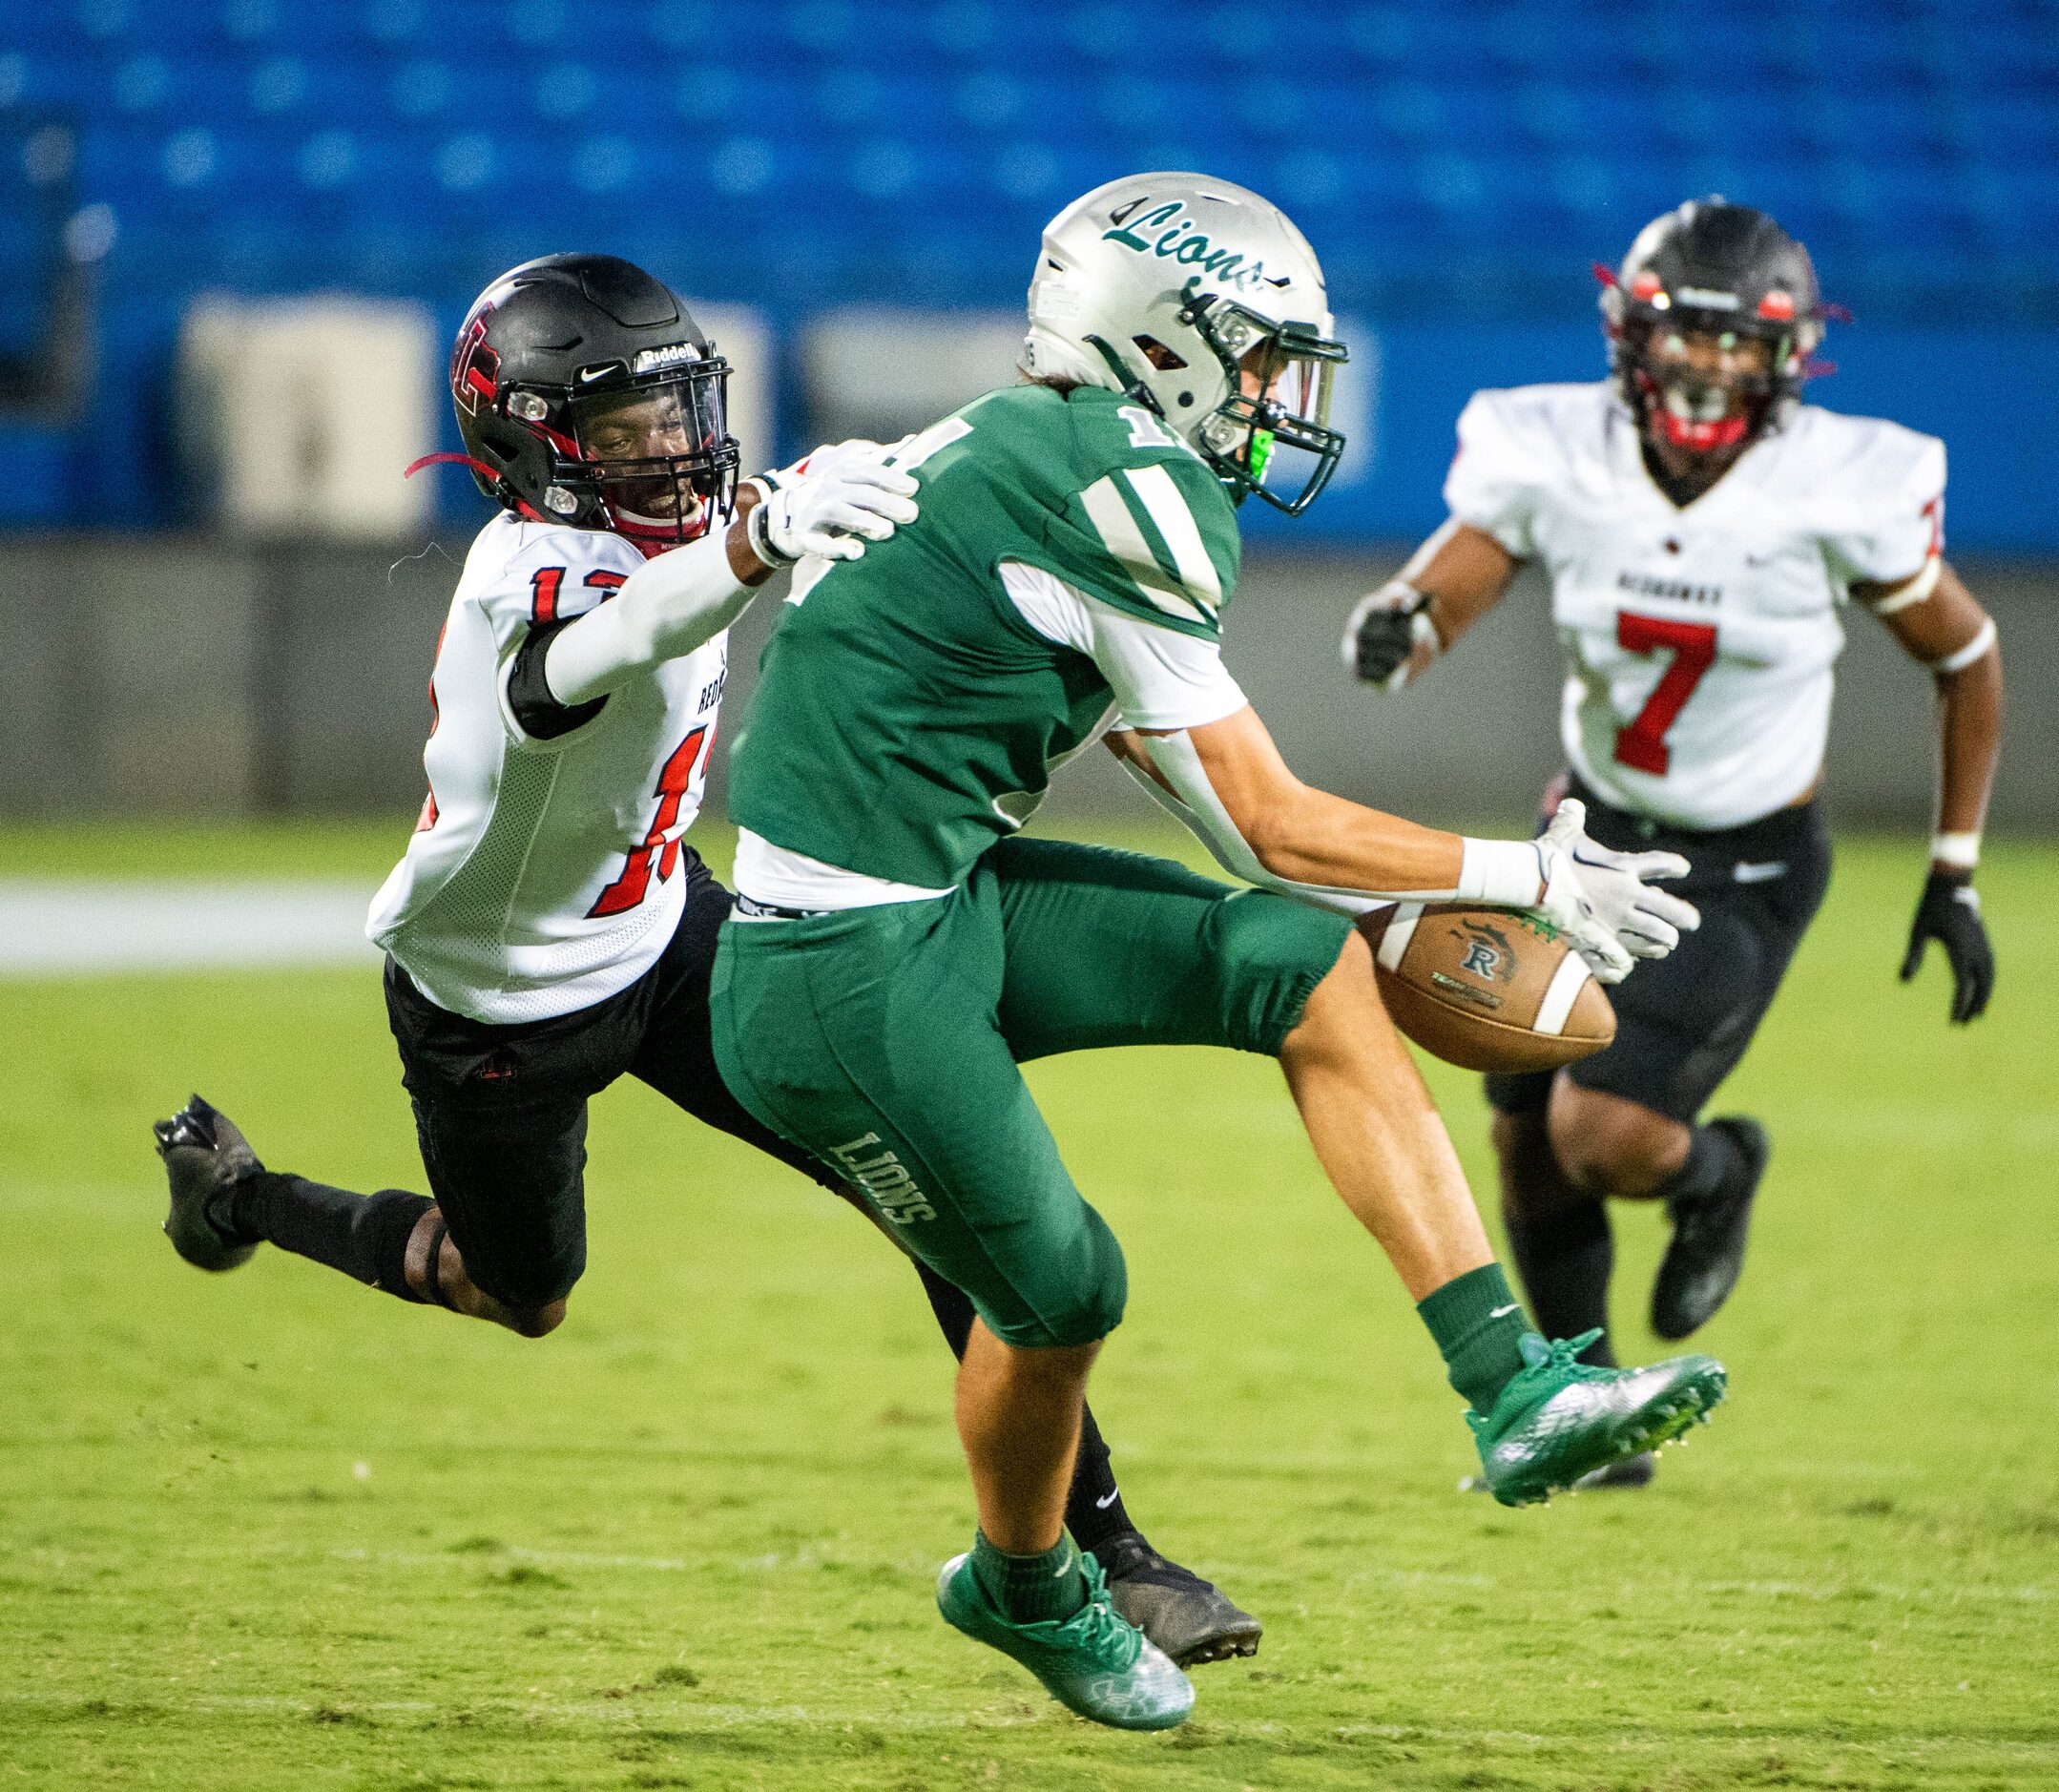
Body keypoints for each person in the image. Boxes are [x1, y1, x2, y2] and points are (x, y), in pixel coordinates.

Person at [707, 173, 1730, 1733]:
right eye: (1257, 360)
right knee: (1066, 1290)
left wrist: (1384, 906)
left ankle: (1513, 1384)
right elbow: (1266, 821)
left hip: (937, 898)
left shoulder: (1030, 447)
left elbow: (1175, 777)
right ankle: (1025, 1581)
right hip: (830, 968)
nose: (1278, 401)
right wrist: (1523, 870)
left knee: (1298, 960)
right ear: (1160, 340)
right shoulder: (1109, 479)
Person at [152, 252, 1260, 1669]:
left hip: (675, 932)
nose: (669, 452)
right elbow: (605, 642)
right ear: (532, 448)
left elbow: (772, 529)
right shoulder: (522, 573)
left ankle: (1107, 1554)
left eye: (680, 413)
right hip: (498, 998)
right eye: (620, 433)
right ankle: (243, 1199)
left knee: (932, 1179)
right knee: (518, 1293)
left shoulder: (710, 512)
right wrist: (757, 540)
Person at [1344, 199, 2003, 1486]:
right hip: (1583, 832)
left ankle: (1715, 1170)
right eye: (1681, 338)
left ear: (1789, 359)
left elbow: (1965, 657)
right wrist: (1394, 630)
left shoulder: (1837, 481)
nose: (1704, 369)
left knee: (1605, 1136)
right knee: (1523, 1124)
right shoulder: (1554, 451)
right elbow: (1439, 596)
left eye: (1735, 345)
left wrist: (1954, 867)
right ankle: (1587, 1411)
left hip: (1742, 855)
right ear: (1625, 337)